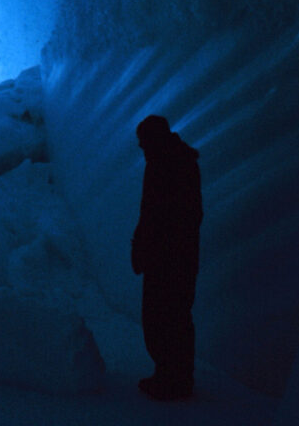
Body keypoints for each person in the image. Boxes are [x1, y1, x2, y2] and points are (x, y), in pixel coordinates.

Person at [131, 115, 202, 400]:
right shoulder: (169, 160)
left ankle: (173, 379)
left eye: (143, 143)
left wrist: (150, 248)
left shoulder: (168, 164)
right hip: (173, 257)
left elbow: (162, 216)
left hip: (170, 259)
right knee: (171, 317)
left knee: (166, 317)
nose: (142, 149)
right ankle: (172, 376)